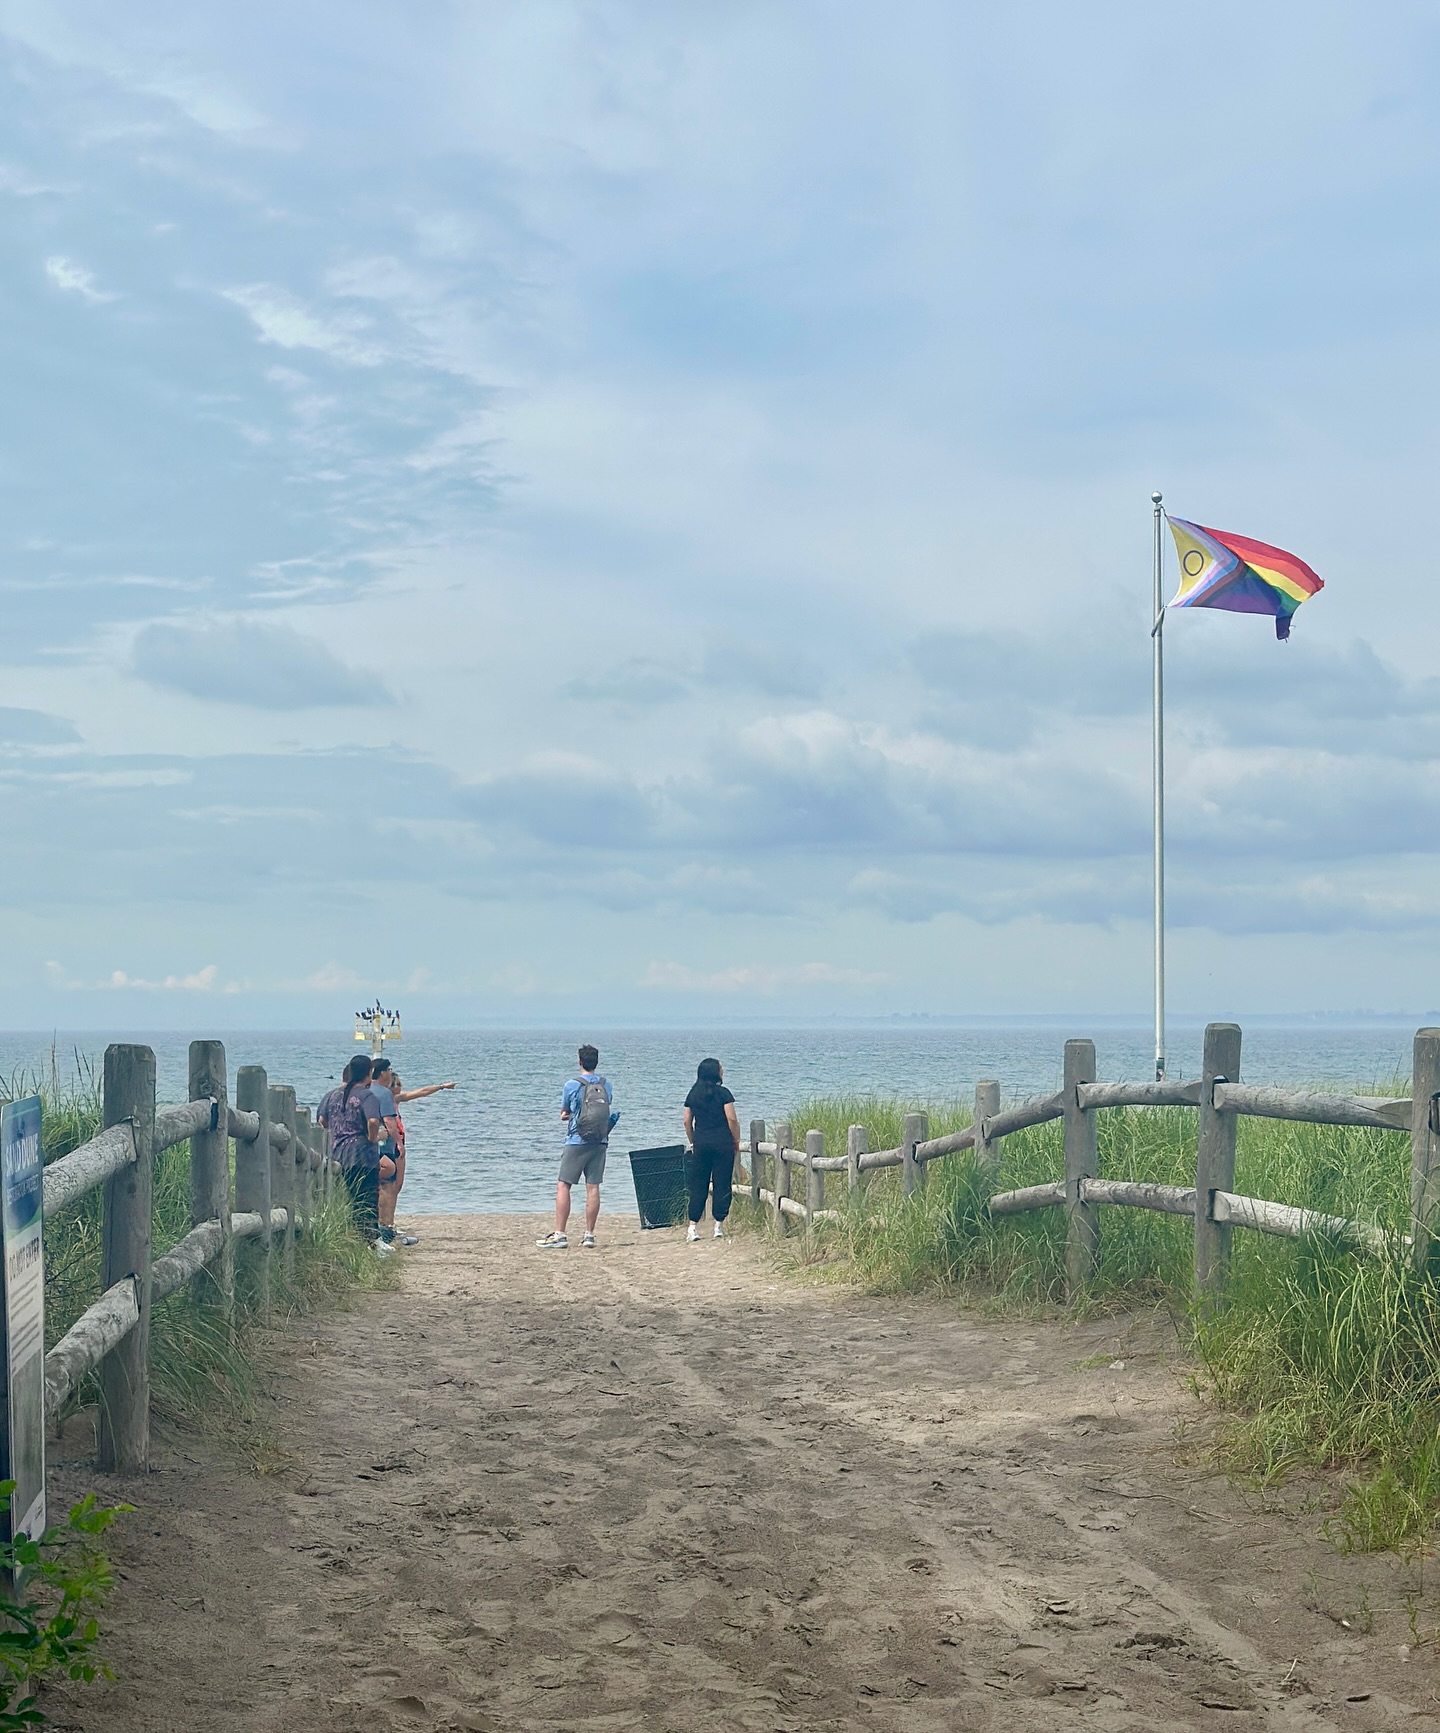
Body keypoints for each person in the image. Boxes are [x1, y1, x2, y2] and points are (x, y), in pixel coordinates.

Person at [538, 1044, 617, 1251]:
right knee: (593, 1187)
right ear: (596, 1062)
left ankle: (561, 1233)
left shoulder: (571, 1085)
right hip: (600, 1140)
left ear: (580, 1062)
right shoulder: (606, 1085)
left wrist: (568, 1115)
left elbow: (565, 1111)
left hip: (576, 1140)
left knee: (564, 1184)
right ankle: (589, 1234)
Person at [318, 1055, 390, 1254]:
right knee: (366, 1198)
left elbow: (322, 1121)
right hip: (361, 1154)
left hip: (337, 1152)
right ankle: (371, 1241)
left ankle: (353, 1239)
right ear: (369, 1073)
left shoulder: (332, 1095)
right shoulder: (367, 1096)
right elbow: (373, 1122)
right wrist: (373, 1137)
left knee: (347, 1196)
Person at [381, 1073, 457, 1248]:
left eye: (399, 1083)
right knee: (389, 1186)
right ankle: (385, 1223)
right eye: (395, 1084)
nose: (398, 1086)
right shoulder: (385, 1101)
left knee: (397, 1185)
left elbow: (421, 1092)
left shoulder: (396, 1100)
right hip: (390, 1145)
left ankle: (389, 1223)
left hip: (399, 1143)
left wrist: (442, 1087)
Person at [682, 1058, 740, 1241]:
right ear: (716, 1072)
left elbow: (686, 1121)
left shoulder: (693, 1094)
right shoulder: (723, 1094)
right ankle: (718, 1225)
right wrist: (736, 1139)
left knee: (699, 1184)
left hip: (701, 1143)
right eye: (721, 1069)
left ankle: (692, 1227)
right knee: (722, 1183)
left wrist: (693, 1140)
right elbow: (731, 1119)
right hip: (722, 1143)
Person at [368, 1057, 404, 1248]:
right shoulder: (383, 1093)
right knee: (388, 1185)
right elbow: (390, 1122)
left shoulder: (362, 1090)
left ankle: (379, 1226)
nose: (391, 1072)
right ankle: (386, 1226)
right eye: (389, 1069)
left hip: (363, 1148)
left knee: (372, 1186)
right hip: (383, 1146)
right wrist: (399, 1143)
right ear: (382, 1073)